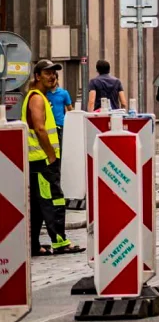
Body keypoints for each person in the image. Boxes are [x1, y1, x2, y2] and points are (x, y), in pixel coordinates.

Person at [23, 60, 84, 256]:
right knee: (54, 200)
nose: (52, 77)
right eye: (47, 73)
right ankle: (60, 242)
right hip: (42, 161)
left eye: (54, 74)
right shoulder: (37, 98)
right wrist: (50, 155)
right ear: (37, 75)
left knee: (38, 205)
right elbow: (40, 128)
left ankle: (33, 245)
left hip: (38, 161)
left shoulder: (38, 96)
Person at [46, 71, 73, 138]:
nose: (51, 81)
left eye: (53, 79)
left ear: (57, 80)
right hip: (48, 125)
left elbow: (70, 110)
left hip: (60, 125)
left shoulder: (64, 93)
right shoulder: (44, 93)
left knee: (61, 147)